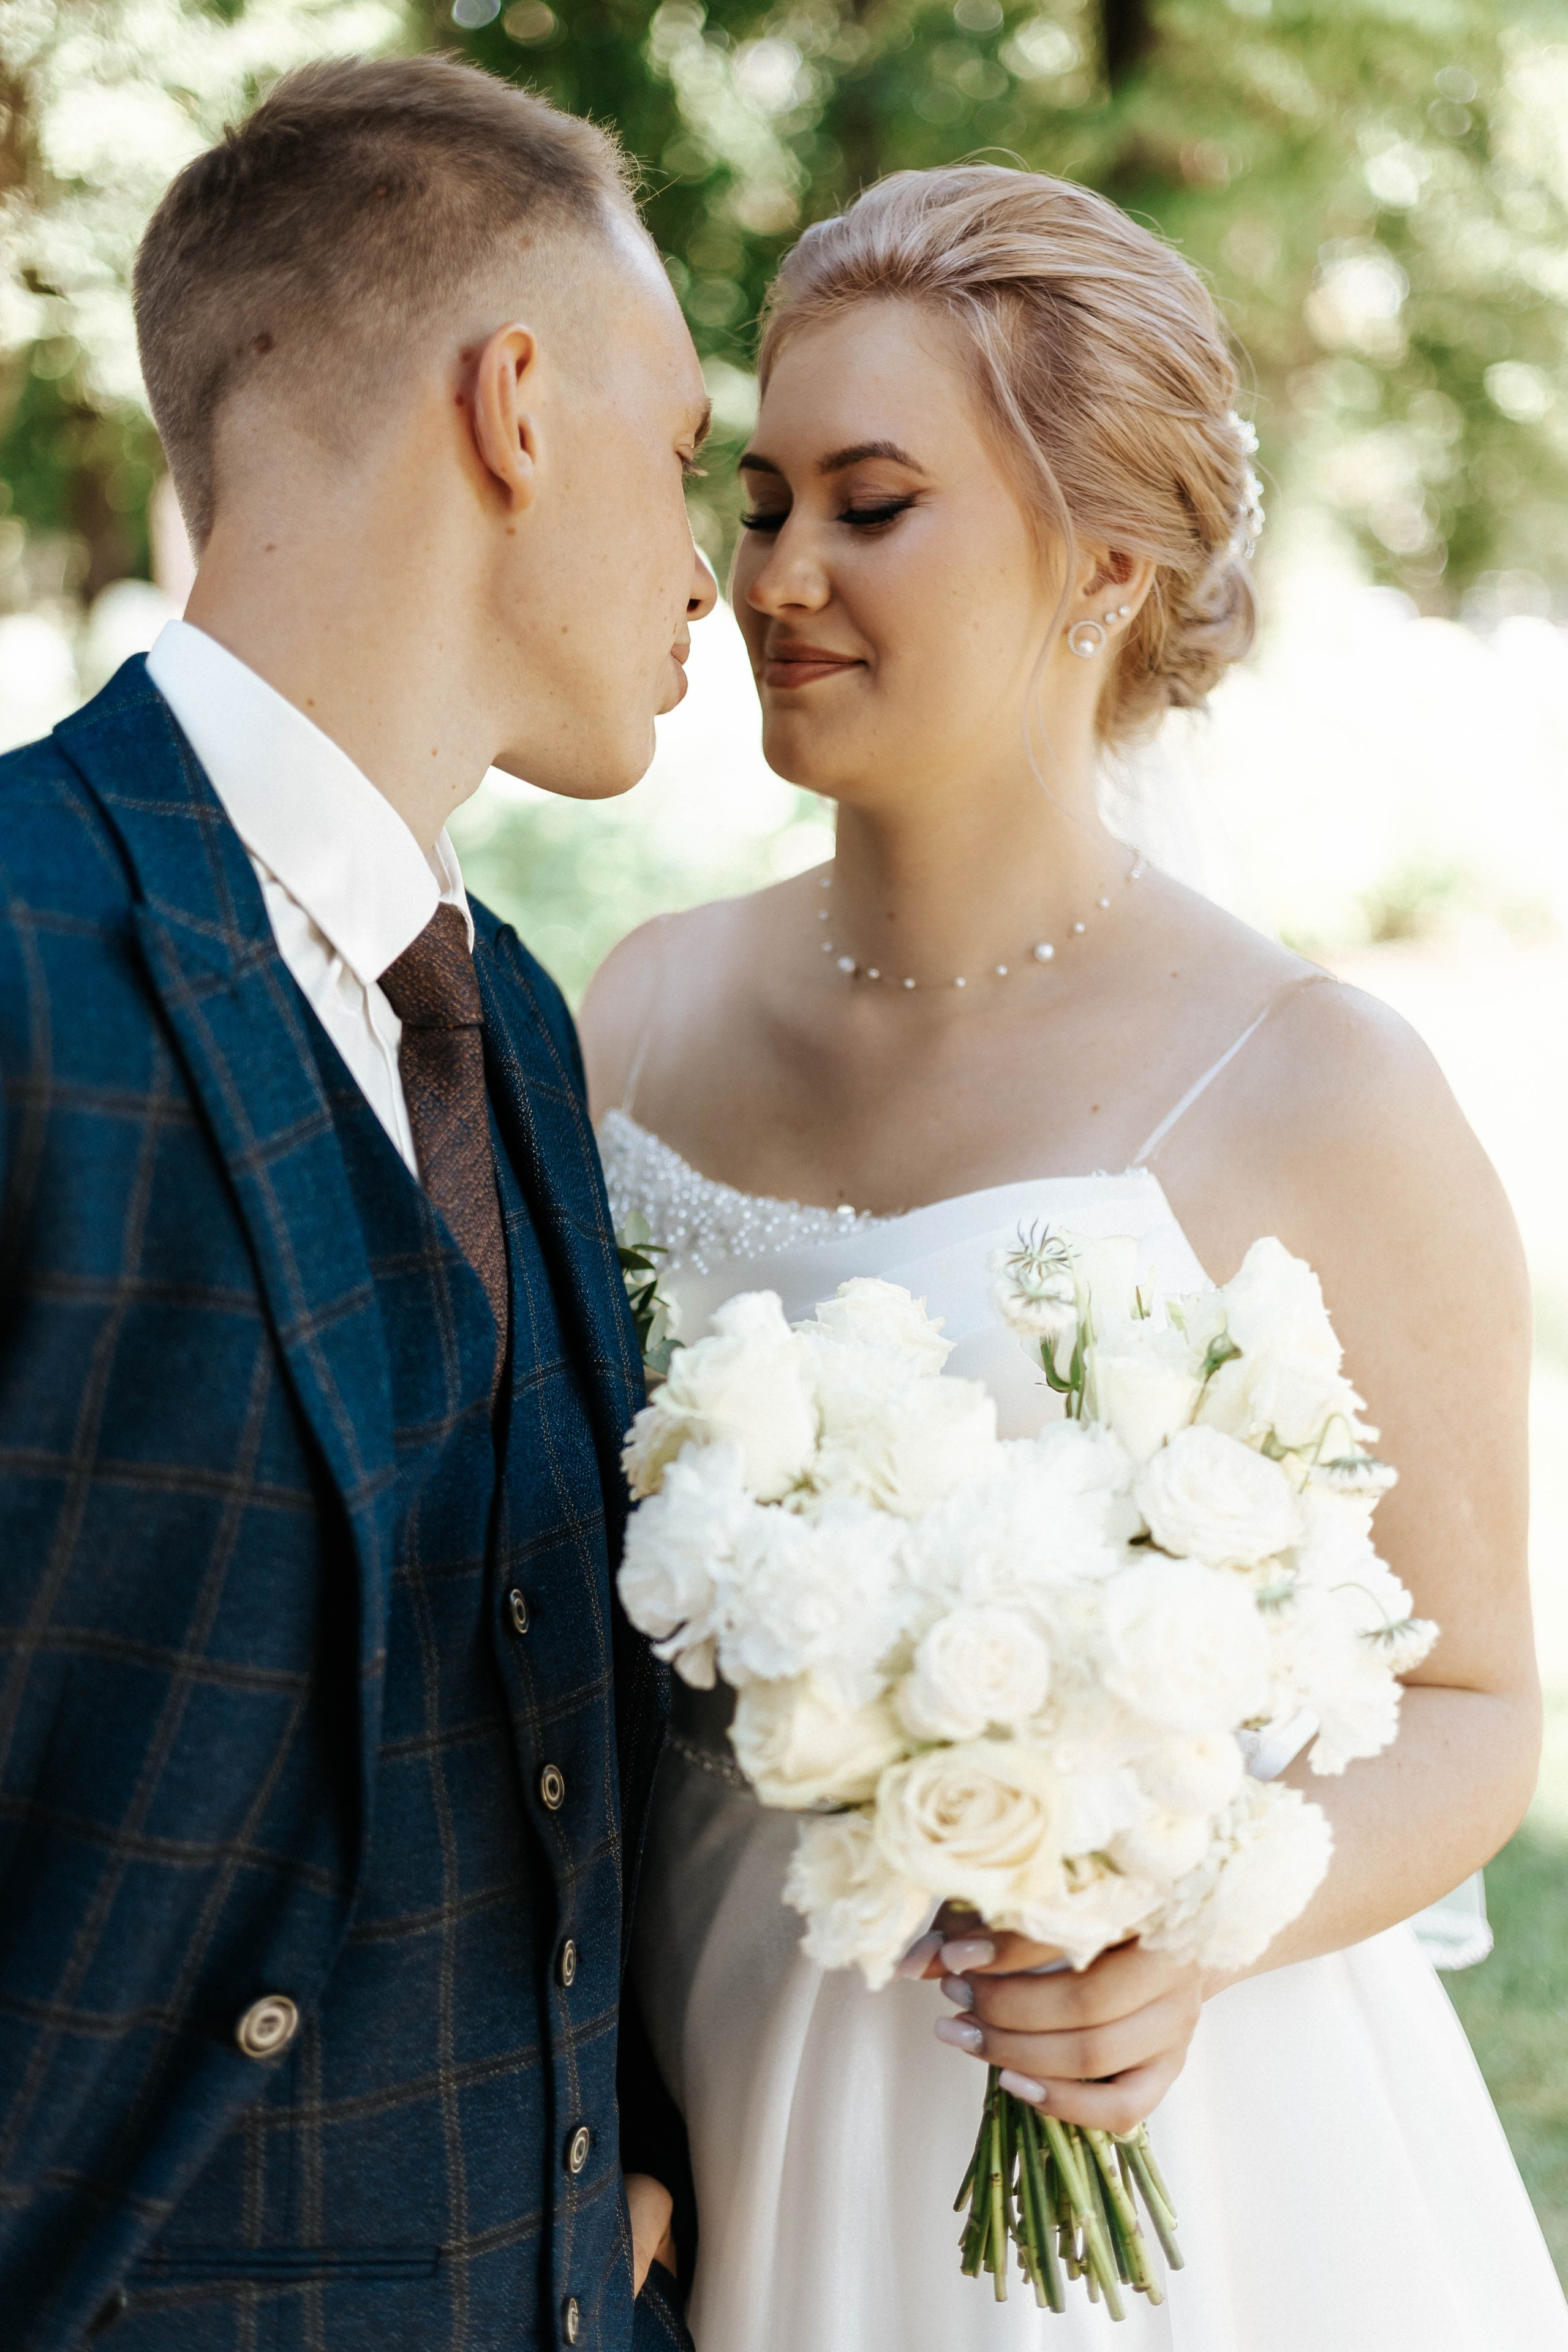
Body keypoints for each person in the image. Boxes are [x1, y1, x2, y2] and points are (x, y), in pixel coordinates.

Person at [581, 165, 1567, 2350]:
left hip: (1117, 2146)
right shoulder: (634, 1019)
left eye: (871, 504)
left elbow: (1479, 1708)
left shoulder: (1317, 1084)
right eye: (762, 501)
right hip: (683, 2085)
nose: (776, 577)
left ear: (1104, 568)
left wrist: (1200, 1925)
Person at [0, 56, 714, 2352]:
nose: (709, 565)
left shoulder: (504, 1003)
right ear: (517, 405)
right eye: (686, 456)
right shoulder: (14, 945)